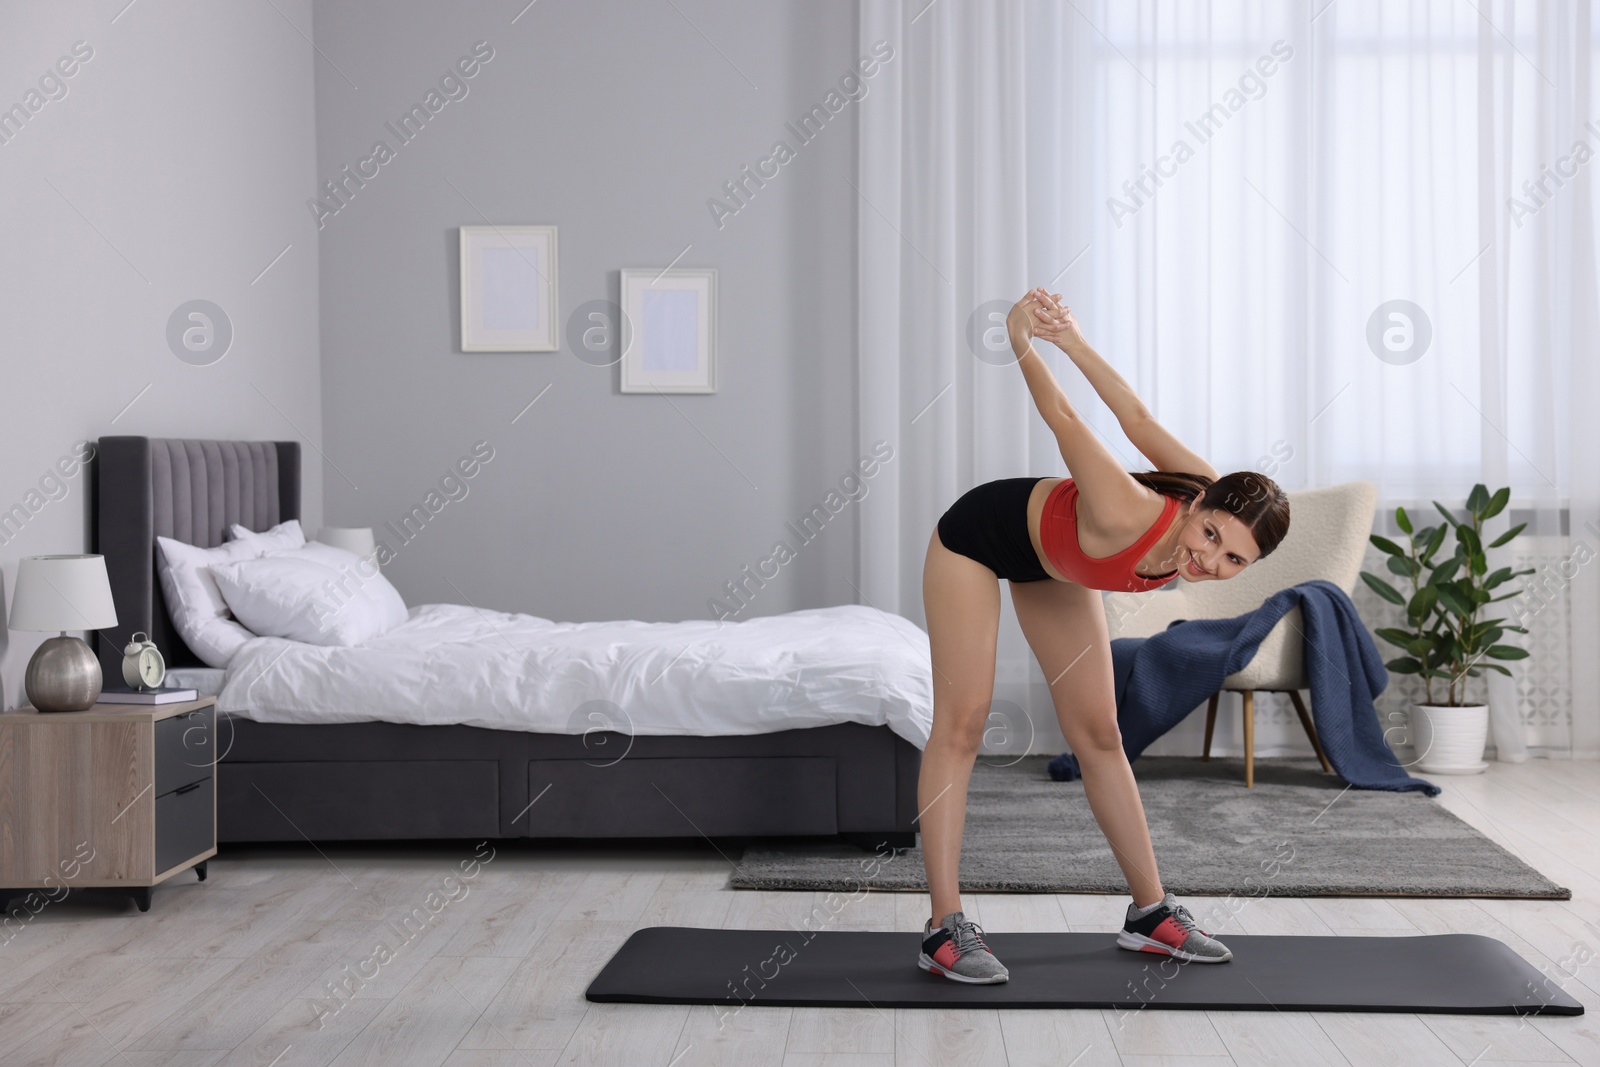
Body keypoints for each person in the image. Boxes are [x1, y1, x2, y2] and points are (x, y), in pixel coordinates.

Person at [916, 288, 1291, 984]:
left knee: (1100, 734)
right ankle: (943, 926)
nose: (1208, 561)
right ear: (1200, 504)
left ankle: (1150, 913)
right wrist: (1027, 339)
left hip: (1052, 559)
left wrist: (1075, 339)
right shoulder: (1129, 510)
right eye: (1209, 534)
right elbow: (1065, 417)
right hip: (977, 537)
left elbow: (1138, 416)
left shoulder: (1207, 509)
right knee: (963, 724)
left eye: (1233, 559)